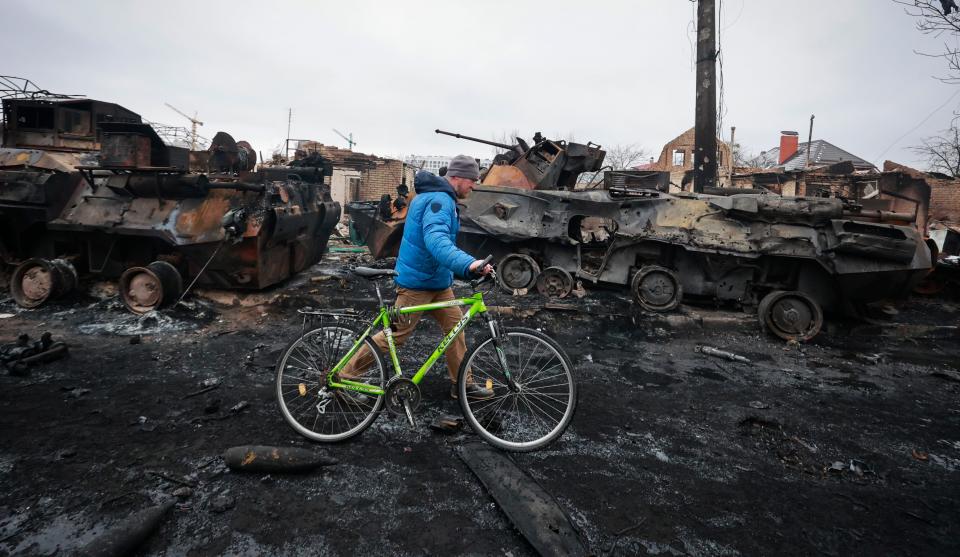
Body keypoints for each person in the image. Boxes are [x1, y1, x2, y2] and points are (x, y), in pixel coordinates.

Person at [339, 155, 494, 399]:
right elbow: (437, 241)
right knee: (395, 337)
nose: (474, 185)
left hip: (437, 282)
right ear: (457, 177)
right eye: (472, 180)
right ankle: (345, 379)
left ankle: (462, 385)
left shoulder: (438, 197)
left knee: (456, 328)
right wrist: (469, 264)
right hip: (417, 285)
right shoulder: (439, 201)